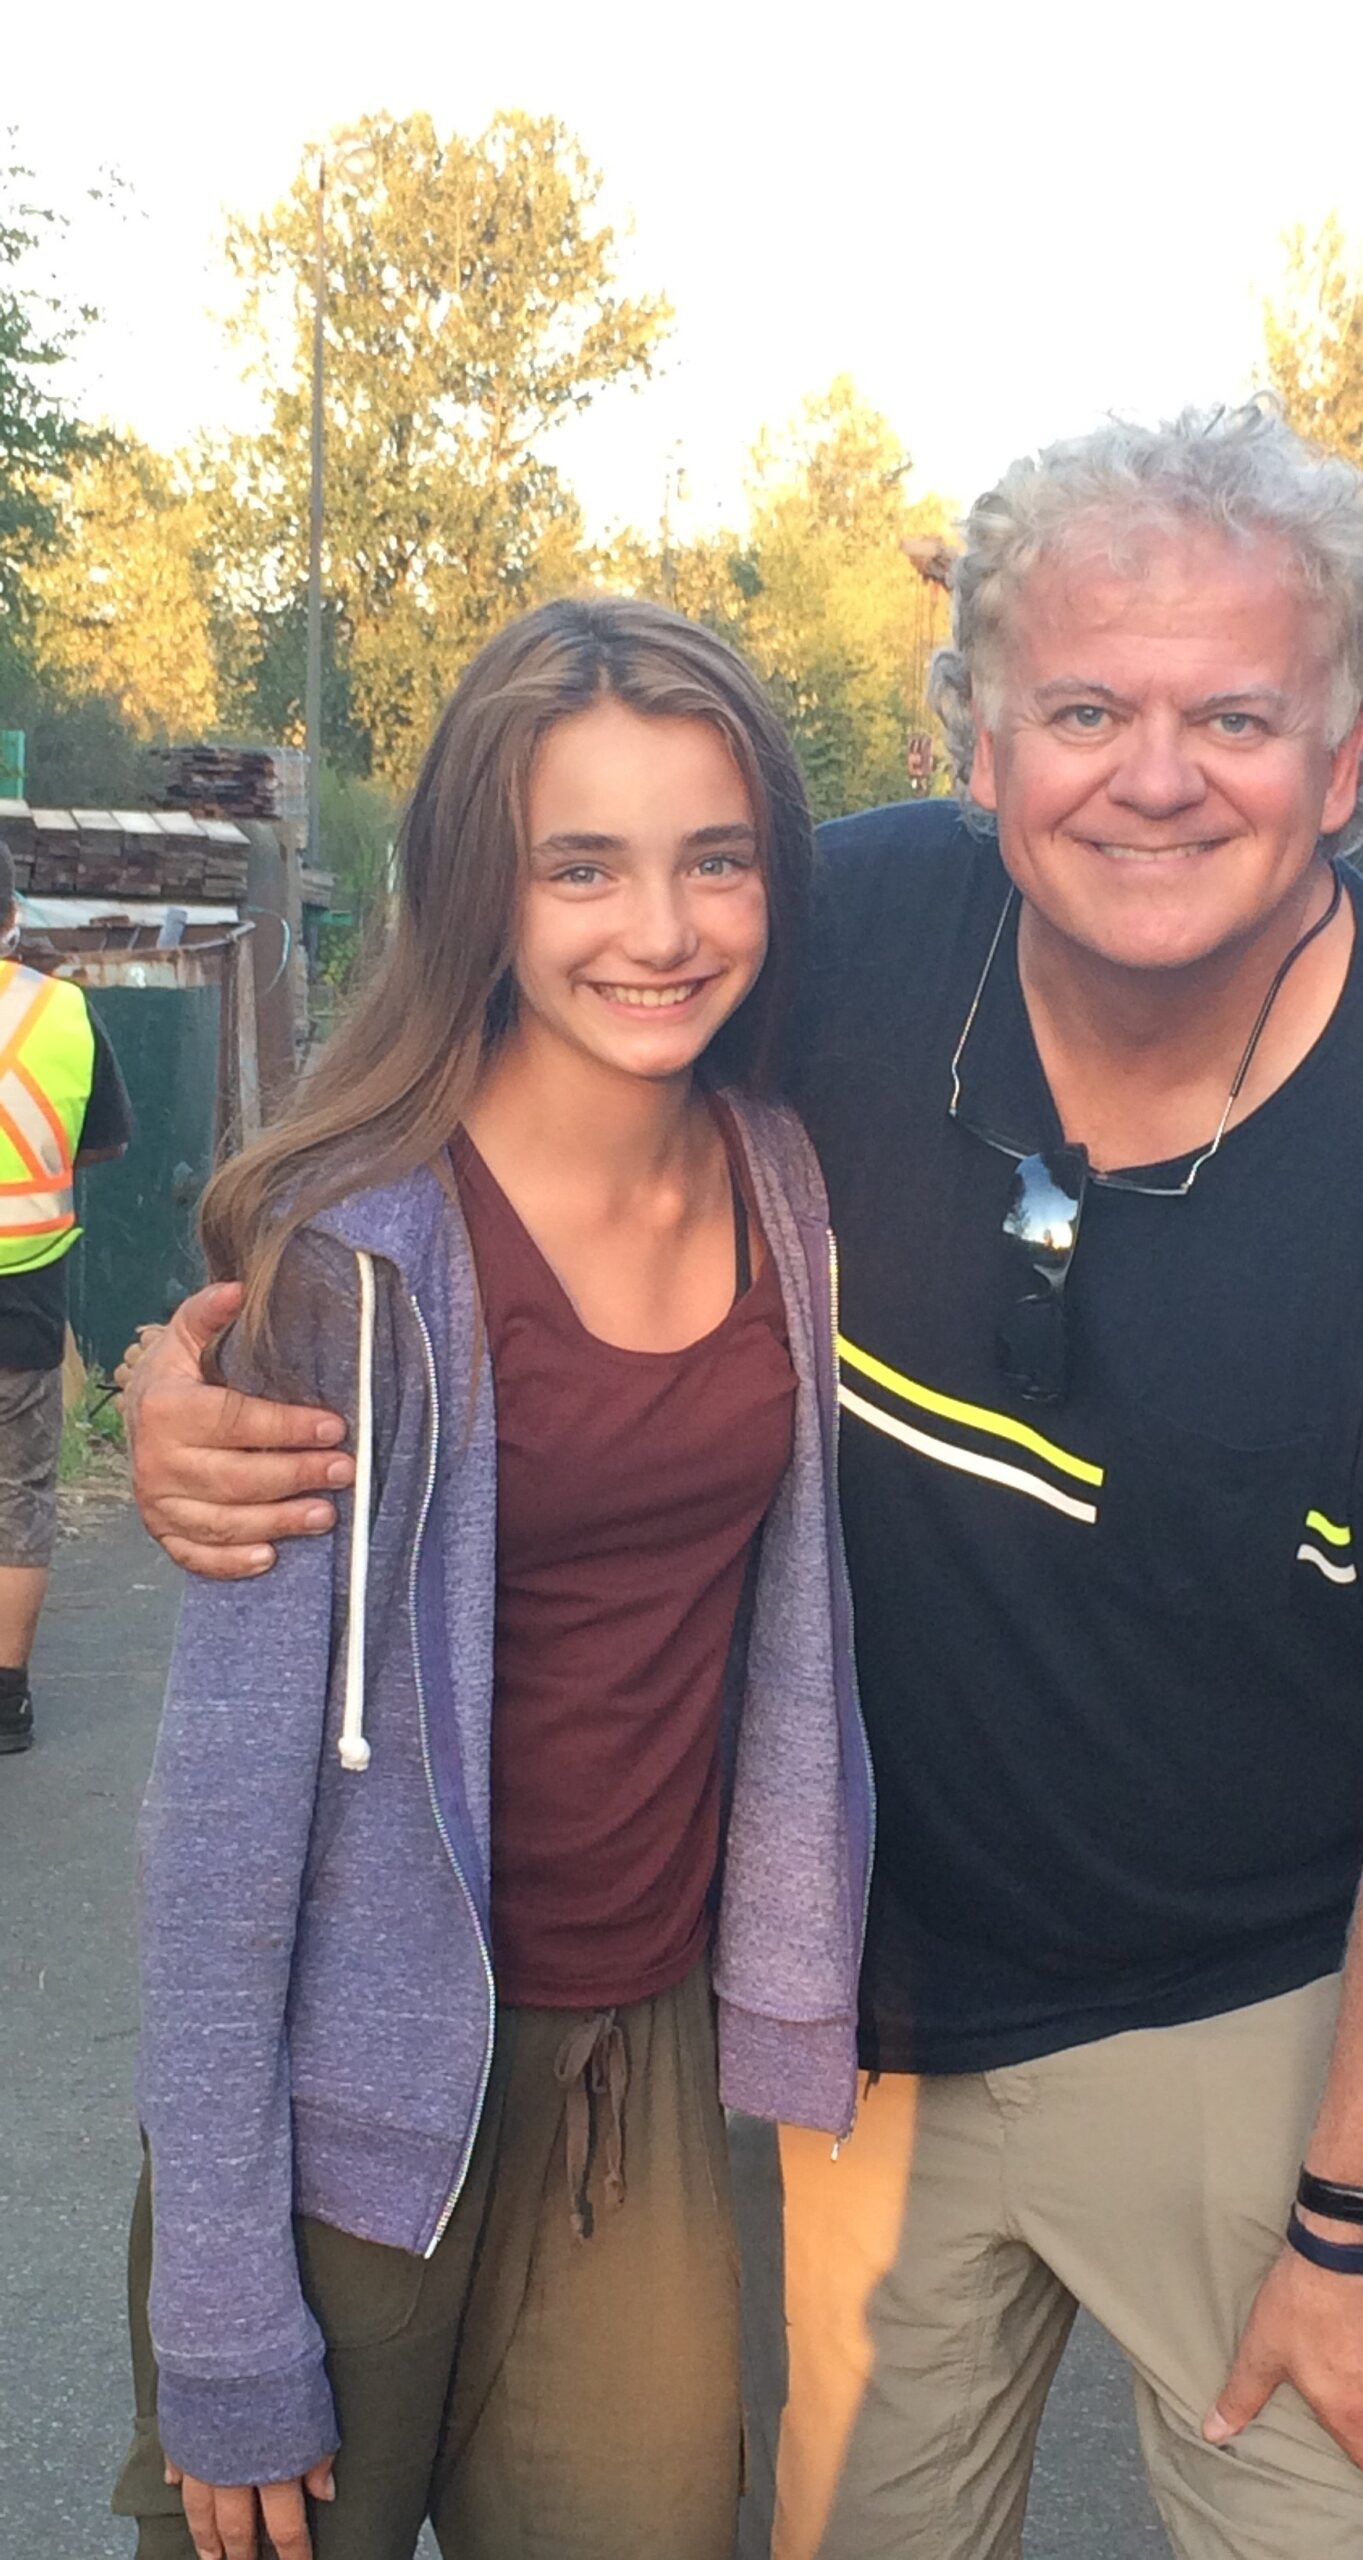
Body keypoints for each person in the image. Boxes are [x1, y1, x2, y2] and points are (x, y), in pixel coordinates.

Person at [124, 405, 1363, 2560]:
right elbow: (461, 1105)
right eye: (1086, 709)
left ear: (1345, 765)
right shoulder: (822, 941)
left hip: (1243, 2029)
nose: (1155, 776)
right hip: (845, 2030)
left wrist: (1361, 2211)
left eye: (1237, 716)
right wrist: (198, 1371)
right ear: (976, 743)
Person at [111, 598, 870, 2560]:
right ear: (484, 889)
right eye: (582, 865)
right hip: (355, 2115)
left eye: (715, 858)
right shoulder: (350, 1258)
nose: (661, 927)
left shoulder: (790, 1186)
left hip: (639, 2076)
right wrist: (221, 2306)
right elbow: (214, 1846)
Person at [0, 853, 133, 1755]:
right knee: (16, 1490)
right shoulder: (63, 1012)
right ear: (12, 914)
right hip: (22, 1294)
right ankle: (5, 1701)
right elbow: (103, 1144)